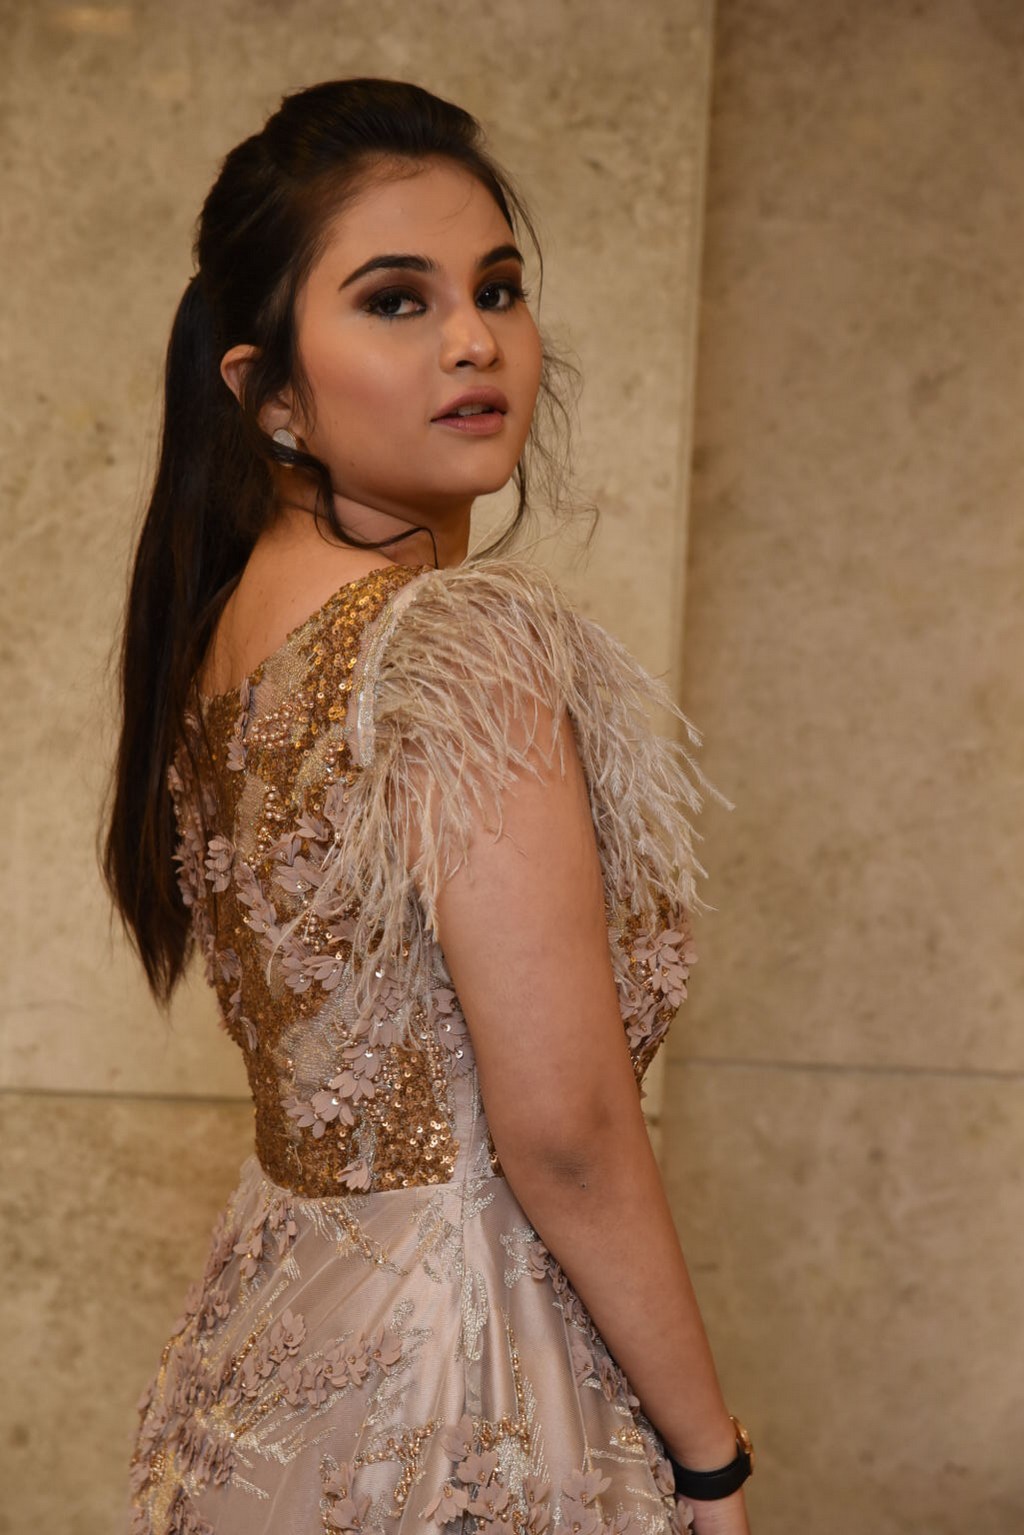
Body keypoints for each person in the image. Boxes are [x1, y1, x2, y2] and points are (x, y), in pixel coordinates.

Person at [103, 78, 753, 1535]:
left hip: (274, 1366)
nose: (475, 339)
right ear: (271, 391)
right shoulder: (458, 643)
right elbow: (565, 1128)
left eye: (497, 288)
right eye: (398, 300)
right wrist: (712, 1462)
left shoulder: (223, 639)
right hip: (463, 1380)